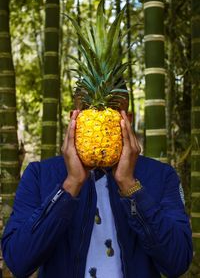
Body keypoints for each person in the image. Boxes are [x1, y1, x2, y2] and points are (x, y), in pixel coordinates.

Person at [1, 109, 192, 278]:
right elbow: (18, 262)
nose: (99, 121)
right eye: (89, 113)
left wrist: (130, 185)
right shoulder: (39, 174)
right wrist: (70, 185)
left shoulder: (162, 175)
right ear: (74, 119)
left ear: (128, 119)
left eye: (109, 113)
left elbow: (177, 263)